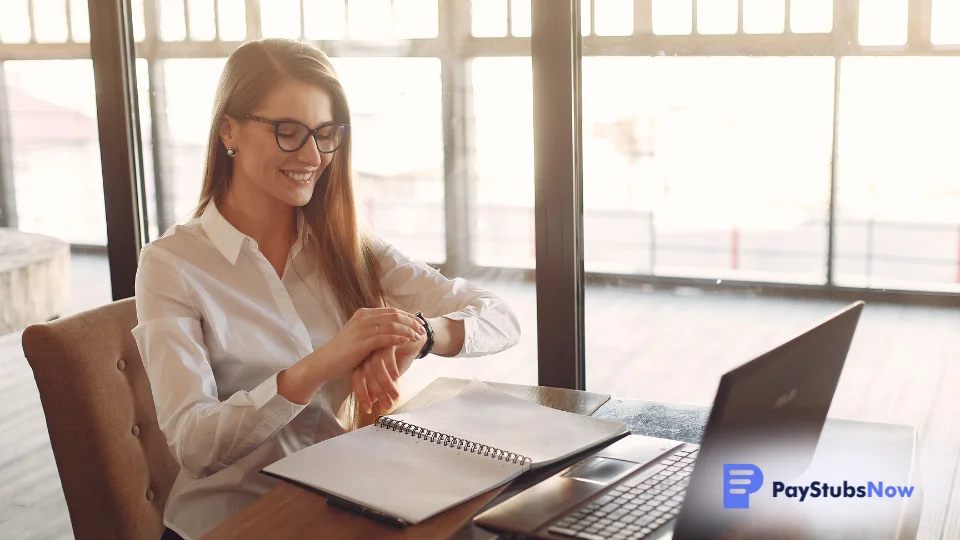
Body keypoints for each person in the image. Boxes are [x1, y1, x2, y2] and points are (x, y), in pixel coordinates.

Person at [132, 38, 521, 540]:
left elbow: (499, 318)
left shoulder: (346, 246)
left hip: (340, 502)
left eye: (324, 133)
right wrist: (322, 364)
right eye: (288, 131)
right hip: (230, 523)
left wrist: (420, 334)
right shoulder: (171, 264)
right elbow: (194, 445)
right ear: (229, 129)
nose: (313, 155)